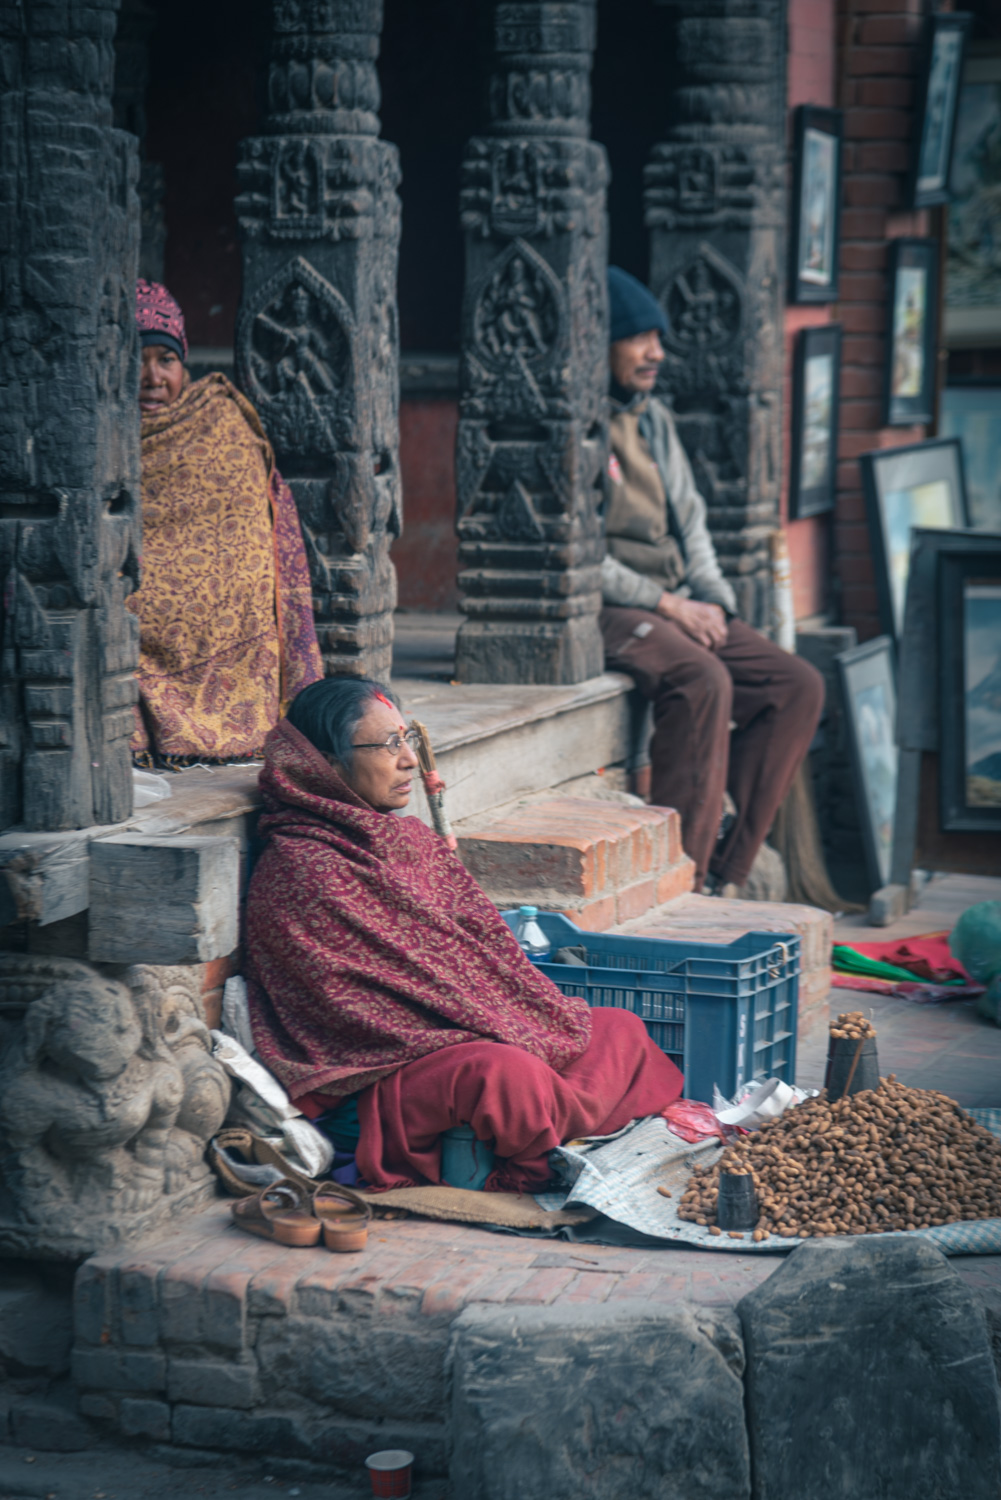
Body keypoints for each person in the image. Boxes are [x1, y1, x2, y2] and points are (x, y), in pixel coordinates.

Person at [243, 676, 684, 1193]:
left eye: (408, 739)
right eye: (389, 746)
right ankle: (530, 1168)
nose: (410, 759)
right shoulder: (302, 867)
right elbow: (344, 1008)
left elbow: (479, 950)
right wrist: (481, 1026)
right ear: (327, 764)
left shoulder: (406, 837)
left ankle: (555, 1128)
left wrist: (504, 1016)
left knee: (618, 1029)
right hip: (380, 1073)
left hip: (460, 1029)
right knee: (503, 1077)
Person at [600, 267, 825, 893]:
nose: (656, 354)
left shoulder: (651, 418)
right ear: (600, 343)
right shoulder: (576, 427)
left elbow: (691, 522)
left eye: (658, 338)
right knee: (702, 679)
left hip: (676, 600)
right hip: (606, 605)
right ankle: (683, 876)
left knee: (795, 685)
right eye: (639, 338)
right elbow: (571, 557)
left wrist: (714, 603)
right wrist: (669, 604)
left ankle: (726, 867)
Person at [128, 279, 322, 765]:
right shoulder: (85, 438)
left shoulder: (220, 424)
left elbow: (251, 544)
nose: (152, 376)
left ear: (184, 364)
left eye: (165, 360)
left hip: (228, 628)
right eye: (135, 358)